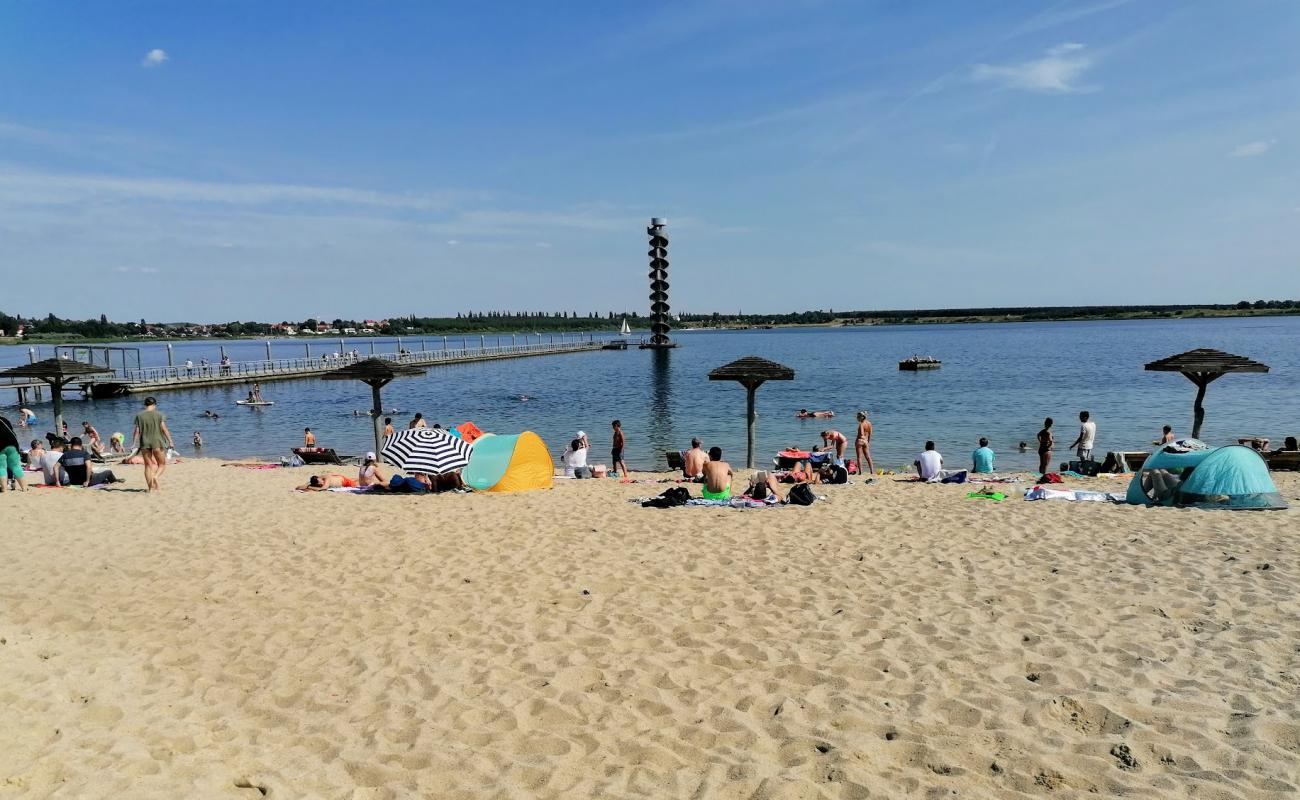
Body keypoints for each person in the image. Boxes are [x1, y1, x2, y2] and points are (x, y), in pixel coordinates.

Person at [131, 396, 174, 492]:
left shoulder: (139, 415)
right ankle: (155, 477)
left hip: (144, 443)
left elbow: (137, 431)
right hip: (157, 442)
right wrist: (170, 441)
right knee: (162, 464)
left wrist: (134, 443)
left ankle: (150, 488)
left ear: (145, 405)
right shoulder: (159, 415)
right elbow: (164, 429)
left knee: (147, 466)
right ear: (154, 404)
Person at [0, 414, 27, 492]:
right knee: (16, 466)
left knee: (1, 468)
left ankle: (4, 489)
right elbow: (11, 431)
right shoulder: (4, 420)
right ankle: (24, 488)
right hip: (12, 444)